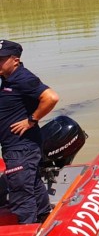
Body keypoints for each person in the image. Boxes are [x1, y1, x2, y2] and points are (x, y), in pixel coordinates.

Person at [0, 40, 59, 224]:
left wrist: (31, 120)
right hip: (18, 148)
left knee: (21, 197)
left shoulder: (23, 78)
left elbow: (51, 97)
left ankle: (29, 228)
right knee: (33, 184)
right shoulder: (7, 78)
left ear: (15, 60)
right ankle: (43, 218)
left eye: (0, 59)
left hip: (21, 149)